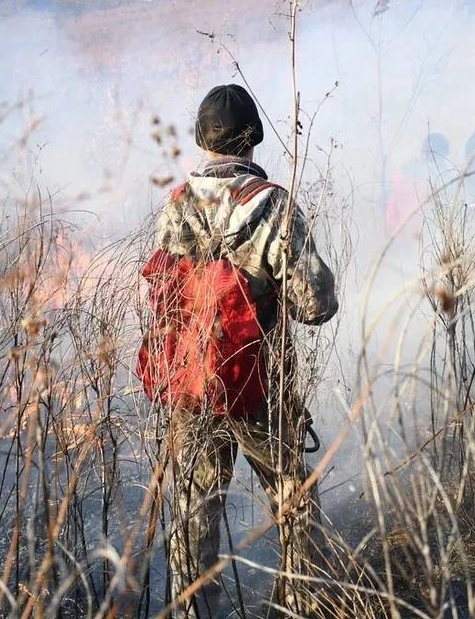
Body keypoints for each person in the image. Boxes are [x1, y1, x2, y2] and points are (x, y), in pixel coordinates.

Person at [149, 84, 338, 618]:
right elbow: (316, 305)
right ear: (253, 139)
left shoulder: (176, 204)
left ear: (201, 140)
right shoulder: (271, 203)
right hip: (258, 384)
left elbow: (166, 299)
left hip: (192, 383)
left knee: (194, 516)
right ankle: (298, 606)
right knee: (295, 503)